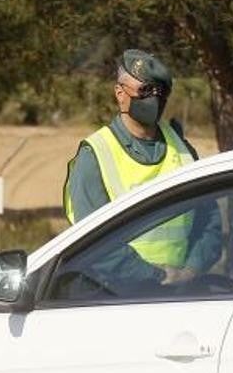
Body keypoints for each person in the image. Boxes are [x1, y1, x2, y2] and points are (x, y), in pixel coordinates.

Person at [62, 49, 222, 287]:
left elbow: (210, 223)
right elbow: (92, 244)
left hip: (181, 294)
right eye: (145, 91)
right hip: (115, 296)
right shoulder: (95, 154)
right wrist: (154, 277)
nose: (154, 98)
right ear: (120, 93)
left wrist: (190, 271)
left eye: (161, 92)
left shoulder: (184, 151)